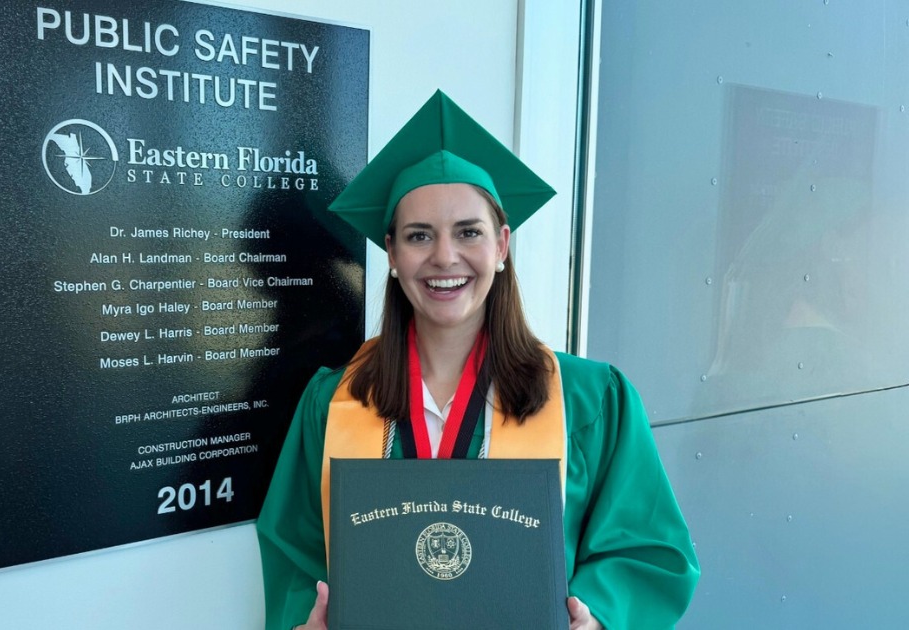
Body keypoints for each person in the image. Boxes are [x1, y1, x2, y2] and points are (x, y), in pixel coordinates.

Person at [256, 90, 699, 630]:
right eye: (420, 236)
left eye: (469, 232)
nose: (445, 257)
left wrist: (600, 618)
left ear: (502, 246)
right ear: (392, 253)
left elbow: (648, 549)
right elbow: (295, 555)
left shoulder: (590, 400)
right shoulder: (331, 403)